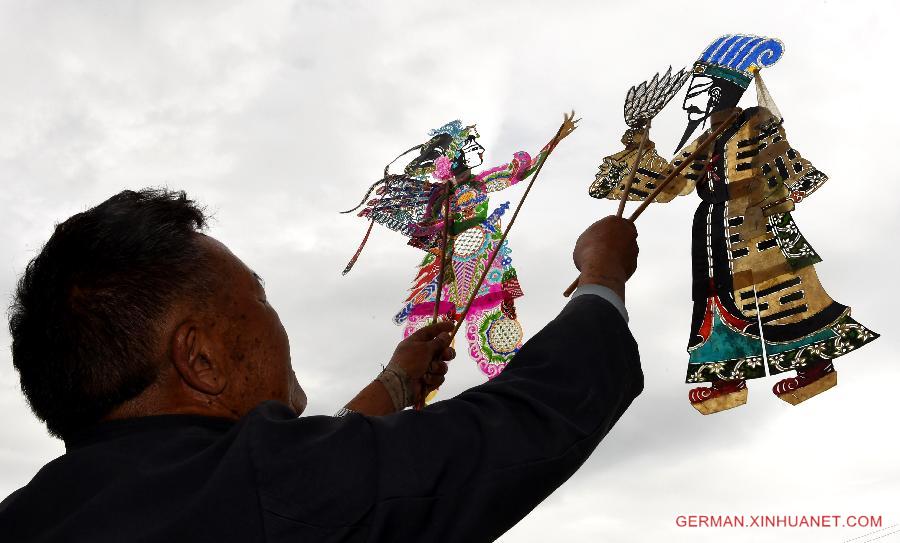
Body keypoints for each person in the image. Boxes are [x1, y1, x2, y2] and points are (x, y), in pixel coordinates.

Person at [0, 188, 641, 542]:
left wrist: (395, 383)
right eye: (258, 296)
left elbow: (314, 492)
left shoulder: (30, 516)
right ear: (199, 358)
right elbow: (528, 420)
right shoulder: (272, 485)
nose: (274, 319)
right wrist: (601, 278)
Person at [589, 34, 877, 415]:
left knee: (779, 298)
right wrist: (640, 143)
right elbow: (670, 184)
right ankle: (725, 380)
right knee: (714, 296)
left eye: (698, 88)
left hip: (757, 224)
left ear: (717, 92)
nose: (689, 97)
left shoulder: (756, 123)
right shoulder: (704, 140)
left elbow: (788, 167)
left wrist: (771, 203)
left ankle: (814, 367)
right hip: (713, 226)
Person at [343, 117, 576, 379]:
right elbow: (425, 227)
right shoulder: (439, 197)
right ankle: (413, 384)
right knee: (427, 328)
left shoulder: (479, 183)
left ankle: (509, 380)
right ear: (456, 155)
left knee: (492, 328)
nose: (480, 150)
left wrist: (553, 142)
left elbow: (520, 172)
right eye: (472, 145)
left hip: (481, 255)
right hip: (446, 264)